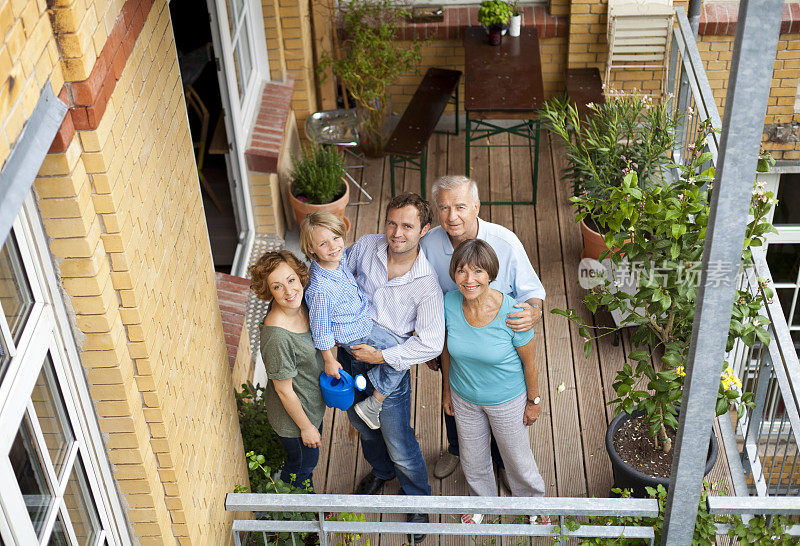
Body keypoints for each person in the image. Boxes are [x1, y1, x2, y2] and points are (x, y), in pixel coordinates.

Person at [420, 174, 546, 482]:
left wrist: (534, 312)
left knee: (505, 420)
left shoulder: (504, 241)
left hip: (498, 338)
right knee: (456, 400)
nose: (453, 216)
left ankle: (505, 463)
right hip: (451, 336)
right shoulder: (427, 244)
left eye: (461, 206)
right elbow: (416, 292)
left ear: (477, 206)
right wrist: (425, 341)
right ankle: (456, 448)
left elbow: (532, 291)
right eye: (445, 208)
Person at [343, 193, 445, 544]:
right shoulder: (365, 247)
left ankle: (418, 500)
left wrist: (382, 358)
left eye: (407, 226)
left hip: (387, 368)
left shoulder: (426, 284)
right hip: (349, 357)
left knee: (399, 439)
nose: (396, 233)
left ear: (424, 230)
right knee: (359, 421)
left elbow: (431, 343)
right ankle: (382, 471)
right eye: (392, 223)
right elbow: (341, 274)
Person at [441, 239, 546, 524]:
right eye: (461, 271)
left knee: (517, 459)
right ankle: (481, 502)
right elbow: (447, 352)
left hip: (507, 400)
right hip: (464, 397)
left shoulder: (513, 313)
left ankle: (534, 504)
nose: (469, 279)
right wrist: (447, 392)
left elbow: (530, 363)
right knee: (473, 458)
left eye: (477, 272)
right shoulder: (449, 304)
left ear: (490, 274)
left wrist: (534, 402)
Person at [299, 212, 403, 430]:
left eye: (336, 237)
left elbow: (346, 250)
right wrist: (329, 360)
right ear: (311, 249)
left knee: (398, 342)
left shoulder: (338, 260)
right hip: (355, 333)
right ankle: (373, 404)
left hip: (361, 320)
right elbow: (321, 329)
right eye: (323, 243)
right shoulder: (320, 288)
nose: (333, 246)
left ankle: (372, 380)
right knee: (402, 355)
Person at [249, 250, 326, 490]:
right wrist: (306, 427)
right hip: (295, 418)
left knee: (305, 464)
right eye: (277, 287)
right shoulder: (277, 336)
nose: (289, 291)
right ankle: (295, 513)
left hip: (309, 402)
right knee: (302, 465)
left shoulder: (301, 302)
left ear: (299, 276)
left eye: (291, 280)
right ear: (268, 292)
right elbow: (284, 392)